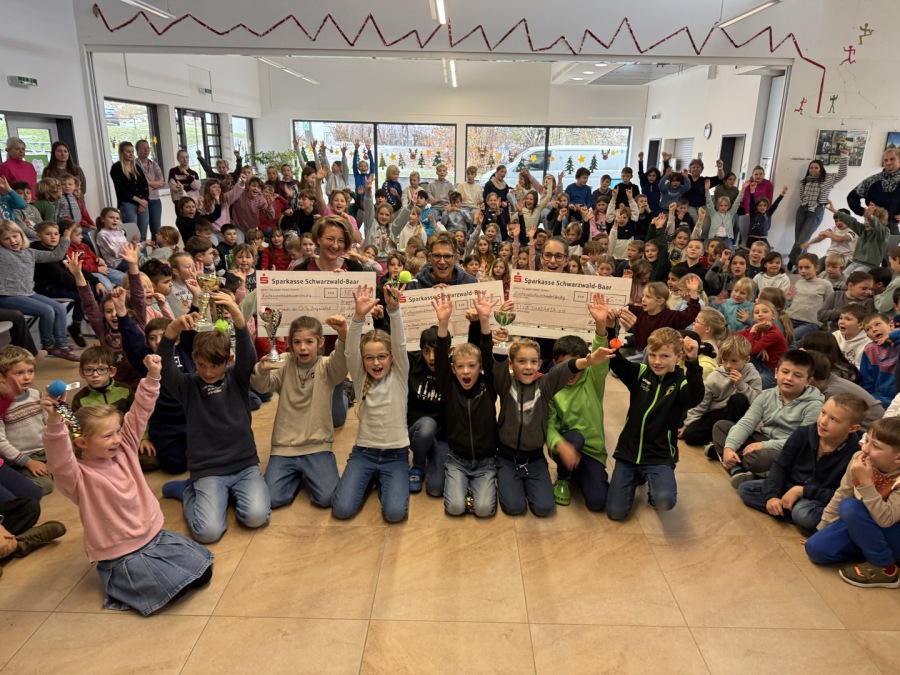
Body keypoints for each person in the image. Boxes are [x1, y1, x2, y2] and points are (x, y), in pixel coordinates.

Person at [42, 353, 214, 615]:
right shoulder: (77, 476)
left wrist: (153, 376)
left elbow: (140, 412)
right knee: (174, 590)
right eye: (107, 436)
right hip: (123, 555)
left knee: (203, 574)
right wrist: (56, 420)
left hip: (154, 537)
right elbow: (59, 457)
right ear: (83, 443)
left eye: (117, 432)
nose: (117, 439)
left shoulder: (125, 448)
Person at [158, 295, 271, 543]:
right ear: (194, 360)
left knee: (256, 517)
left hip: (244, 465)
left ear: (228, 361)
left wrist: (238, 316)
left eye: (215, 366)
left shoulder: (237, 377)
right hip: (207, 469)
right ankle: (188, 491)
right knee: (208, 533)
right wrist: (173, 329)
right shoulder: (187, 385)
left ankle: (224, 495)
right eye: (201, 365)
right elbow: (164, 368)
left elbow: (247, 356)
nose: (208, 372)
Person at [494, 324, 612, 519]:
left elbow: (565, 369)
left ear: (540, 364)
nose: (528, 366)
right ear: (511, 364)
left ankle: (570, 477)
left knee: (545, 508)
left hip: (535, 458)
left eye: (533, 362)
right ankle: (511, 480)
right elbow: (497, 367)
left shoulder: (546, 385)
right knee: (514, 507)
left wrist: (587, 361)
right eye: (521, 361)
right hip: (507, 457)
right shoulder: (507, 384)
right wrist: (497, 342)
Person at [606, 328, 704, 521]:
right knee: (615, 513)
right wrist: (609, 328)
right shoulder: (641, 373)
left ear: (679, 356)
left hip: (659, 455)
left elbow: (696, 396)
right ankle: (637, 476)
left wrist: (693, 362)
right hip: (629, 453)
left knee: (664, 501)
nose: (657, 361)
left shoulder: (682, 383)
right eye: (652, 355)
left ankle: (655, 483)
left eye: (665, 356)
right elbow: (614, 359)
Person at [250, 315, 348, 509]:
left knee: (327, 498)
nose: (303, 348)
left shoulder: (326, 365)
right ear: (290, 343)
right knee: (272, 499)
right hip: (285, 447)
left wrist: (343, 336)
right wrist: (261, 370)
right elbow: (263, 387)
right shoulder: (285, 362)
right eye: (297, 342)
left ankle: (344, 399)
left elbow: (341, 363)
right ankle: (297, 476)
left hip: (317, 446)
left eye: (309, 342)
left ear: (320, 342)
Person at [332, 284, 411, 522]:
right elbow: (350, 352)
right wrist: (358, 318)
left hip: (395, 456)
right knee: (342, 510)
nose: (376, 363)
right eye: (369, 358)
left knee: (395, 514)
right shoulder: (360, 377)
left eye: (382, 357)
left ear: (391, 358)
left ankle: (381, 481)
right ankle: (368, 480)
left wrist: (394, 311)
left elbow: (400, 344)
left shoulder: (399, 374)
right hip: (364, 454)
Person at [739, 394, 865, 532]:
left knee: (803, 513)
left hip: (815, 501)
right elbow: (781, 466)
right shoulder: (803, 433)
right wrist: (772, 496)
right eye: (823, 412)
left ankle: (789, 511)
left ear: (852, 428)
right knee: (746, 489)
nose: (823, 421)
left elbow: (839, 495)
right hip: (789, 487)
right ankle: (786, 509)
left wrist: (802, 491)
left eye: (833, 419)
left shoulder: (855, 455)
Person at [805, 417, 900, 588]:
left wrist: (866, 483)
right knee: (815, 549)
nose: (865, 448)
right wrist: (822, 528)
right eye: (866, 440)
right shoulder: (859, 458)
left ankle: (886, 568)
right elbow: (843, 492)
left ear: (898, 458)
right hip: (863, 526)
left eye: (875, 446)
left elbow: (886, 519)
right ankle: (869, 550)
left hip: (892, 531)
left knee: (850, 507)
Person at [711, 349, 824, 487]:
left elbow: (801, 442)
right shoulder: (767, 395)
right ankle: (738, 468)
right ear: (776, 373)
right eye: (785, 372)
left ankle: (734, 461)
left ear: (808, 381)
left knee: (758, 459)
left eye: (797, 375)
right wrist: (730, 447)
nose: (789, 378)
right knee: (721, 427)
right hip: (763, 438)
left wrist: (764, 445)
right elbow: (747, 423)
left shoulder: (814, 406)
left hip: (786, 448)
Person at [432, 291, 499, 517]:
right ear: (453, 369)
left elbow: (487, 353)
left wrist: (484, 320)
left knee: (483, 510)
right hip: (457, 460)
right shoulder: (449, 386)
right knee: (455, 508)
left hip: (486, 461)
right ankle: (466, 487)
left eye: (471, 366)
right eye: (460, 367)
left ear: (480, 367)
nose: (466, 371)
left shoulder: (488, 385)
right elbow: (441, 358)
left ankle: (479, 487)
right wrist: (443, 323)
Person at [548, 294, 615, 511]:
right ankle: (563, 478)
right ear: (555, 364)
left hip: (592, 451)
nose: (571, 371)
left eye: (576, 364)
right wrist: (560, 445)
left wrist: (601, 325)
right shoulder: (551, 387)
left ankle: (578, 472)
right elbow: (549, 425)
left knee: (598, 503)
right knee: (575, 438)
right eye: (564, 365)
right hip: (566, 445)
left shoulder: (593, 378)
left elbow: (599, 356)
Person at [0, 219, 74, 359]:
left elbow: (55, 255)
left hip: (28, 293)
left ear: (21, 235)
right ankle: (48, 346)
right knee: (47, 311)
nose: (12, 241)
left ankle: (61, 345)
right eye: (6, 238)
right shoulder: (2, 253)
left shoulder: (29, 252)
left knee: (59, 308)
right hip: (6, 296)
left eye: (15, 236)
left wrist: (65, 237)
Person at [681, 335, 762, 446]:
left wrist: (741, 385)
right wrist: (687, 425)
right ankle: (717, 439)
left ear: (746, 360)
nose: (728, 365)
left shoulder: (753, 375)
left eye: (734, 361)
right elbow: (702, 403)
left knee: (739, 399)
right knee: (690, 435)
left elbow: (758, 403)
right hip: (717, 413)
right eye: (725, 360)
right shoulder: (715, 376)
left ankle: (730, 439)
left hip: (739, 418)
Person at [0, 346, 53, 494]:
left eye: (30, 371)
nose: (27, 377)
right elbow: (1, 443)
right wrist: (28, 462)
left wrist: (57, 407)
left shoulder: (36, 395)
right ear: (2, 377)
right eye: (19, 373)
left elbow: (50, 424)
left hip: (45, 450)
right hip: (21, 457)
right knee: (45, 486)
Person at [847, 147, 900, 234]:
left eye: (892, 159)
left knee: (892, 243)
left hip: (892, 227)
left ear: (899, 160)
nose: (888, 162)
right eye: (885, 160)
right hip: (871, 224)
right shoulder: (872, 180)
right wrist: (862, 212)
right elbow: (852, 197)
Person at [109, 141, 150, 239]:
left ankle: (142, 250)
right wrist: (139, 201)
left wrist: (144, 202)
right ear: (122, 153)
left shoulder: (137, 167)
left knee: (143, 235)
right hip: (128, 204)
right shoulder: (116, 168)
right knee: (132, 235)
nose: (131, 154)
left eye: (132, 152)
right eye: (128, 152)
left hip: (142, 204)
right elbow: (122, 189)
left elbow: (145, 186)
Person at [135, 139, 165, 238]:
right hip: (142, 200)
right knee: (142, 230)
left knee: (156, 229)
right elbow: (137, 184)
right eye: (143, 148)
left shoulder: (154, 164)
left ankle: (157, 248)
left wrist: (146, 182)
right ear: (137, 150)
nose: (146, 150)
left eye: (148, 148)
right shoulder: (134, 165)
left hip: (155, 199)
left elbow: (161, 183)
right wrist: (154, 183)